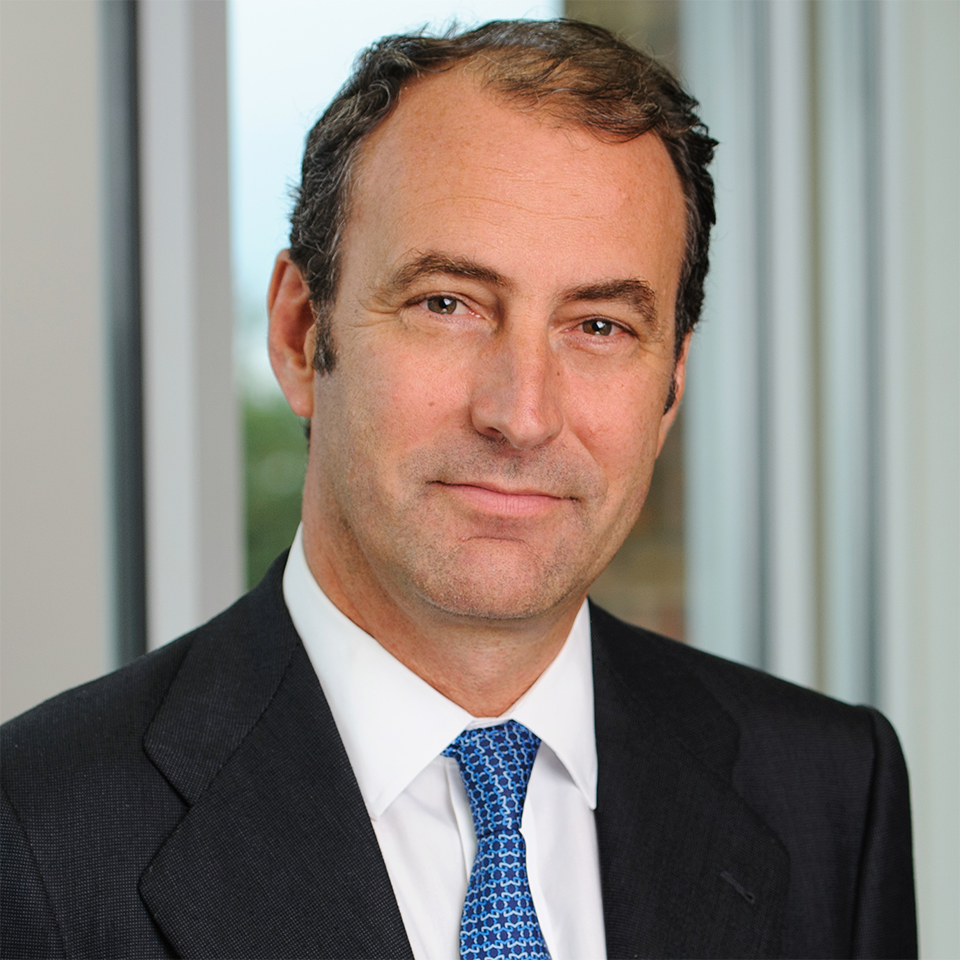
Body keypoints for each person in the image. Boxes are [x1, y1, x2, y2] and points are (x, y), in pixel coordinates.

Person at [1, 19, 915, 960]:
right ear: (301, 334)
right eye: (447, 304)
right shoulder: (36, 835)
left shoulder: (830, 791)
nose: (522, 414)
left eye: (599, 325)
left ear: (671, 384)